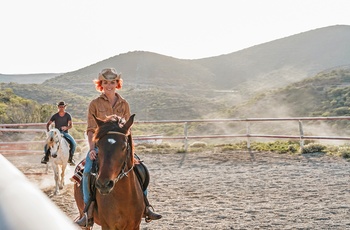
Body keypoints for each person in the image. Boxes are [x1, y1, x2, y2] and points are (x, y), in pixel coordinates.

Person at [75, 68, 162, 227]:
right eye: (106, 82)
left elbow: (128, 131)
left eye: (112, 82)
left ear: (117, 84)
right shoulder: (95, 104)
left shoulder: (124, 104)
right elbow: (90, 129)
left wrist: (130, 151)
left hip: (120, 148)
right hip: (101, 148)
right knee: (87, 171)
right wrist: (92, 149)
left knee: (141, 170)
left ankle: (145, 206)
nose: (109, 85)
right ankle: (87, 210)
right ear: (101, 84)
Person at [41, 101, 77, 166]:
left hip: (65, 133)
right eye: (60, 107)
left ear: (64, 107)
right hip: (56, 133)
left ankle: (70, 158)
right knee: (47, 144)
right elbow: (48, 124)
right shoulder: (55, 116)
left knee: (74, 144)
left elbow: (71, 125)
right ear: (58, 107)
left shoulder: (68, 115)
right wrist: (49, 132)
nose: (61, 108)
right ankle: (46, 157)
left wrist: (66, 127)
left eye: (62, 107)